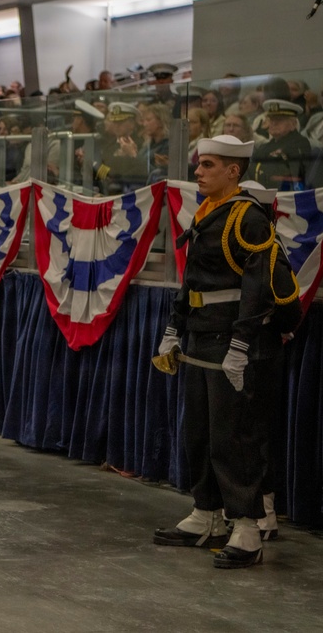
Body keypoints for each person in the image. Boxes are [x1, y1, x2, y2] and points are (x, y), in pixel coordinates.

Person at [153, 134, 294, 569]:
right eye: (199, 164)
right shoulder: (208, 212)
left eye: (208, 165)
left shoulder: (248, 217)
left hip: (228, 337)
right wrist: (174, 329)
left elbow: (256, 288)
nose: (198, 171)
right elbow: (192, 279)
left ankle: (248, 527)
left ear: (234, 171)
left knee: (234, 435)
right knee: (198, 430)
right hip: (199, 332)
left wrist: (240, 344)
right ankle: (206, 513)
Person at [251, 99, 312, 191]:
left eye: (279, 119)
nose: (274, 123)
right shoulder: (265, 147)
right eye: (271, 119)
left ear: (293, 124)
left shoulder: (300, 143)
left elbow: (289, 174)